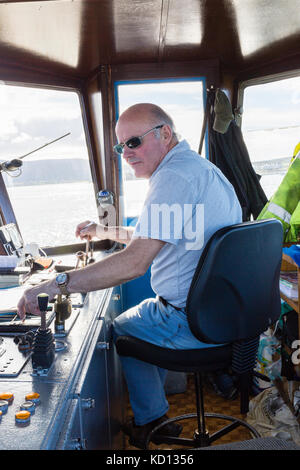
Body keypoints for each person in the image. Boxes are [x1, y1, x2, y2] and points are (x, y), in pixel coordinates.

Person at [17, 103, 242, 449]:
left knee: (121, 328)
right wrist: (104, 229)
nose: (126, 153)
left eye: (133, 142)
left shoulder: (172, 177)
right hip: (223, 313)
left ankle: (152, 419)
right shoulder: (197, 169)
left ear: (164, 134)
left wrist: (54, 285)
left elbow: (134, 263)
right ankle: (156, 413)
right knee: (141, 322)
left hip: (190, 319)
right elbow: (151, 237)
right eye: (121, 147)